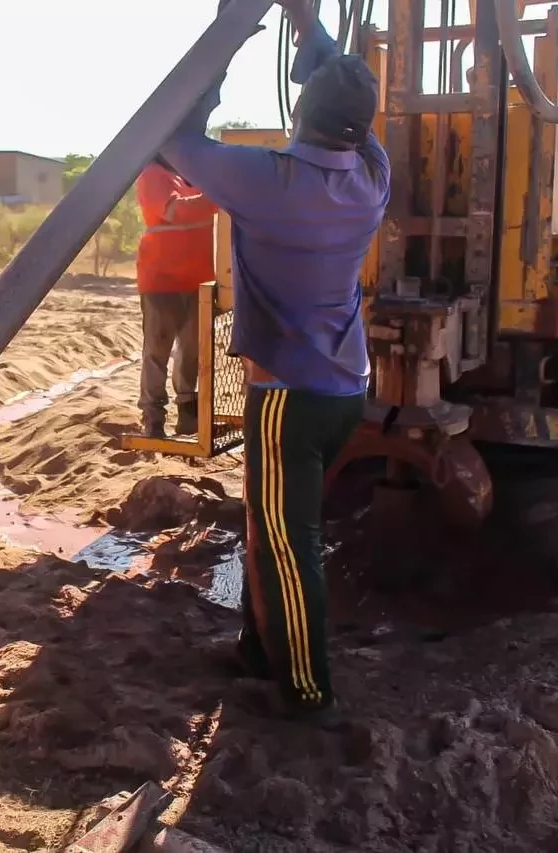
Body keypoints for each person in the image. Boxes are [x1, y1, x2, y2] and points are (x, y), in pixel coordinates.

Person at [160, 0, 389, 719]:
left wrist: (228, 42)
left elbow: (174, 138)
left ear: (305, 109)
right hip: (344, 385)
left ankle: (308, 689)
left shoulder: (271, 182)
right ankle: (258, 649)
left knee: (290, 543)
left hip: (287, 397)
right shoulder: (370, 176)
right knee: (269, 526)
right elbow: (343, 100)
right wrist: (311, 29)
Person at [134, 156, 218, 438]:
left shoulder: (192, 176)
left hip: (199, 281)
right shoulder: (153, 175)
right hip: (161, 280)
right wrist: (222, 194)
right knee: (157, 351)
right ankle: (153, 419)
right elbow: (174, 211)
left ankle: (188, 415)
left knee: (192, 351)